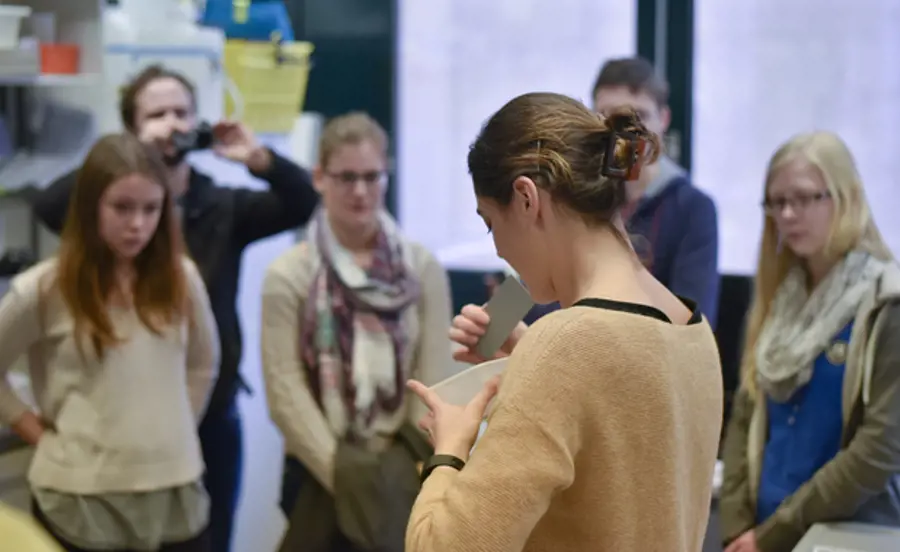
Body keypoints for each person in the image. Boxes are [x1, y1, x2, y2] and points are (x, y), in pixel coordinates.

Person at [403, 93, 723, 551]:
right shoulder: (692, 328)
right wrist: (527, 357)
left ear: (527, 198)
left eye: (491, 223)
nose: (497, 249)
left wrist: (449, 452)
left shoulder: (564, 347)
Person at [29, 65, 319, 552]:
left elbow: (301, 201)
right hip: (124, 425)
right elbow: (49, 206)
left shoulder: (222, 204)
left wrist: (257, 157)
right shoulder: (107, 215)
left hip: (211, 418)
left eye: (181, 112)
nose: (172, 123)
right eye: (156, 114)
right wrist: (127, 156)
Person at [0, 133, 220, 551]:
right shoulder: (43, 289)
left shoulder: (181, 278)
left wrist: (174, 430)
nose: (137, 224)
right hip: (79, 498)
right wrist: (34, 431)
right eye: (122, 207)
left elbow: (202, 364)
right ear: (90, 207)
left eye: (151, 209)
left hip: (174, 492)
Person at [260, 112, 456, 550]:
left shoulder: (421, 268)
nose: (361, 191)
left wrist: (401, 469)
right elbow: (284, 393)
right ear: (319, 178)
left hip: (402, 467)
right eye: (346, 177)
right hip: (318, 472)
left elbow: (434, 378)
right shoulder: (289, 275)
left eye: (372, 176)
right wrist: (344, 474)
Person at [719, 132, 900, 552]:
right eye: (776, 202)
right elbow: (745, 411)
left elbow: (879, 450)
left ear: (846, 197)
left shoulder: (886, 303)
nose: (787, 214)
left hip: (847, 537)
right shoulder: (781, 298)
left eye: (803, 198)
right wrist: (736, 526)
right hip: (760, 534)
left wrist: (774, 533)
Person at [524, 57, 720, 327]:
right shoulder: (575, 197)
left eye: (638, 116)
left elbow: (693, 322)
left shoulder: (692, 209)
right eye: (608, 117)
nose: (625, 132)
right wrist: (497, 326)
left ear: (663, 119)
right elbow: (530, 291)